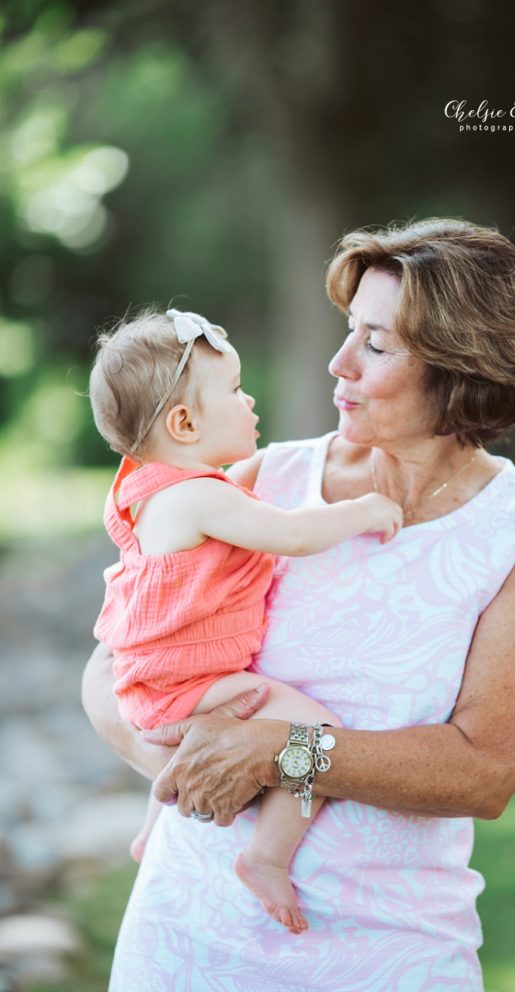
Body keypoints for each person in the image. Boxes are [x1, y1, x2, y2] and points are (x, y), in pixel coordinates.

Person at [82, 218, 515, 992]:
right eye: (350, 331)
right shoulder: (259, 482)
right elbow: (112, 667)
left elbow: (483, 772)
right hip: (190, 942)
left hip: (389, 962)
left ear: (462, 372)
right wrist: (186, 765)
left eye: (376, 345)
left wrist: (282, 751)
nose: (337, 364)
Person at [88, 307, 402, 935]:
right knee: (315, 730)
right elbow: (291, 533)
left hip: (153, 684)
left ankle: (154, 825)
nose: (249, 398)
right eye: (234, 390)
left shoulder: (142, 490)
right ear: (183, 423)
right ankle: (267, 857)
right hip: (186, 686)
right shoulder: (202, 496)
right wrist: (364, 511)